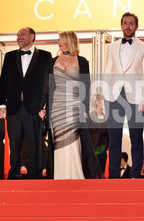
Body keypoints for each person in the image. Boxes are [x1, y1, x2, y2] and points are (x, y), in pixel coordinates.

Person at [42, 30, 101, 179]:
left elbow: (86, 87)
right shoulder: (51, 62)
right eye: (58, 40)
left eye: (61, 40)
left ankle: (75, 175)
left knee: (74, 141)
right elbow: (46, 87)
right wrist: (42, 106)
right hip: (56, 107)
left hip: (75, 106)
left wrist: (85, 109)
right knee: (59, 140)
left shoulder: (82, 62)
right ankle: (59, 175)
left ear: (69, 41)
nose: (58, 43)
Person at [104, 12, 144, 178]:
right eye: (125, 23)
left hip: (136, 97)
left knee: (136, 138)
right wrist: (104, 96)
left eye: (131, 23)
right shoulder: (111, 47)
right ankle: (113, 176)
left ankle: (136, 175)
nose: (128, 26)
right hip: (114, 96)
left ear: (136, 26)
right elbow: (106, 72)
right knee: (114, 139)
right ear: (121, 25)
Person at [0, 27, 51, 179]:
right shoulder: (9, 56)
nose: (18, 37)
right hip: (14, 108)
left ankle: (36, 176)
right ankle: (13, 175)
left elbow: (48, 83)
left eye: (22, 34)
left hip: (35, 108)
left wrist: (45, 105)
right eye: (17, 35)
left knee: (35, 144)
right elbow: (3, 81)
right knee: (14, 145)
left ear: (32, 36)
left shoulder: (45, 56)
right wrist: (2, 104)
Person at [87, 93, 109, 174]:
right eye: (98, 101)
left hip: (102, 152)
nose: (101, 103)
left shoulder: (106, 120)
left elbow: (108, 137)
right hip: (92, 151)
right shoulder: (89, 118)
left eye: (101, 101)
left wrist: (106, 147)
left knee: (101, 174)